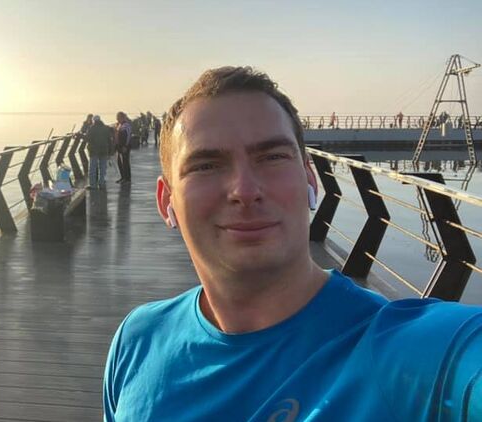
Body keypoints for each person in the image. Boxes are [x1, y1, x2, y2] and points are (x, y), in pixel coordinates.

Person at [103, 66, 482, 421]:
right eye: (206, 165)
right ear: (166, 202)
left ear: (310, 181)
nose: (244, 190)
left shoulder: (411, 354)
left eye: (272, 157)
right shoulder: (136, 341)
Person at [85, 115, 112, 189]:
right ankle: (101, 182)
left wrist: (79, 136)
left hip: (94, 151)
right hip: (104, 150)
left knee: (93, 168)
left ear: (94, 121)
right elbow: (109, 140)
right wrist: (110, 151)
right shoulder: (106, 128)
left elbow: (87, 138)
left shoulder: (91, 128)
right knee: (103, 168)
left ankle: (92, 184)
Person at [114, 111, 132, 184]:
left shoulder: (126, 125)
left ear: (122, 117)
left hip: (124, 146)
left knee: (125, 163)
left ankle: (127, 179)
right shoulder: (120, 125)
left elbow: (128, 136)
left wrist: (125, 146)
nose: (117, 119)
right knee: (120, 163)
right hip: (119, 146)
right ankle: (123, 177)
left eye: (118, 117)